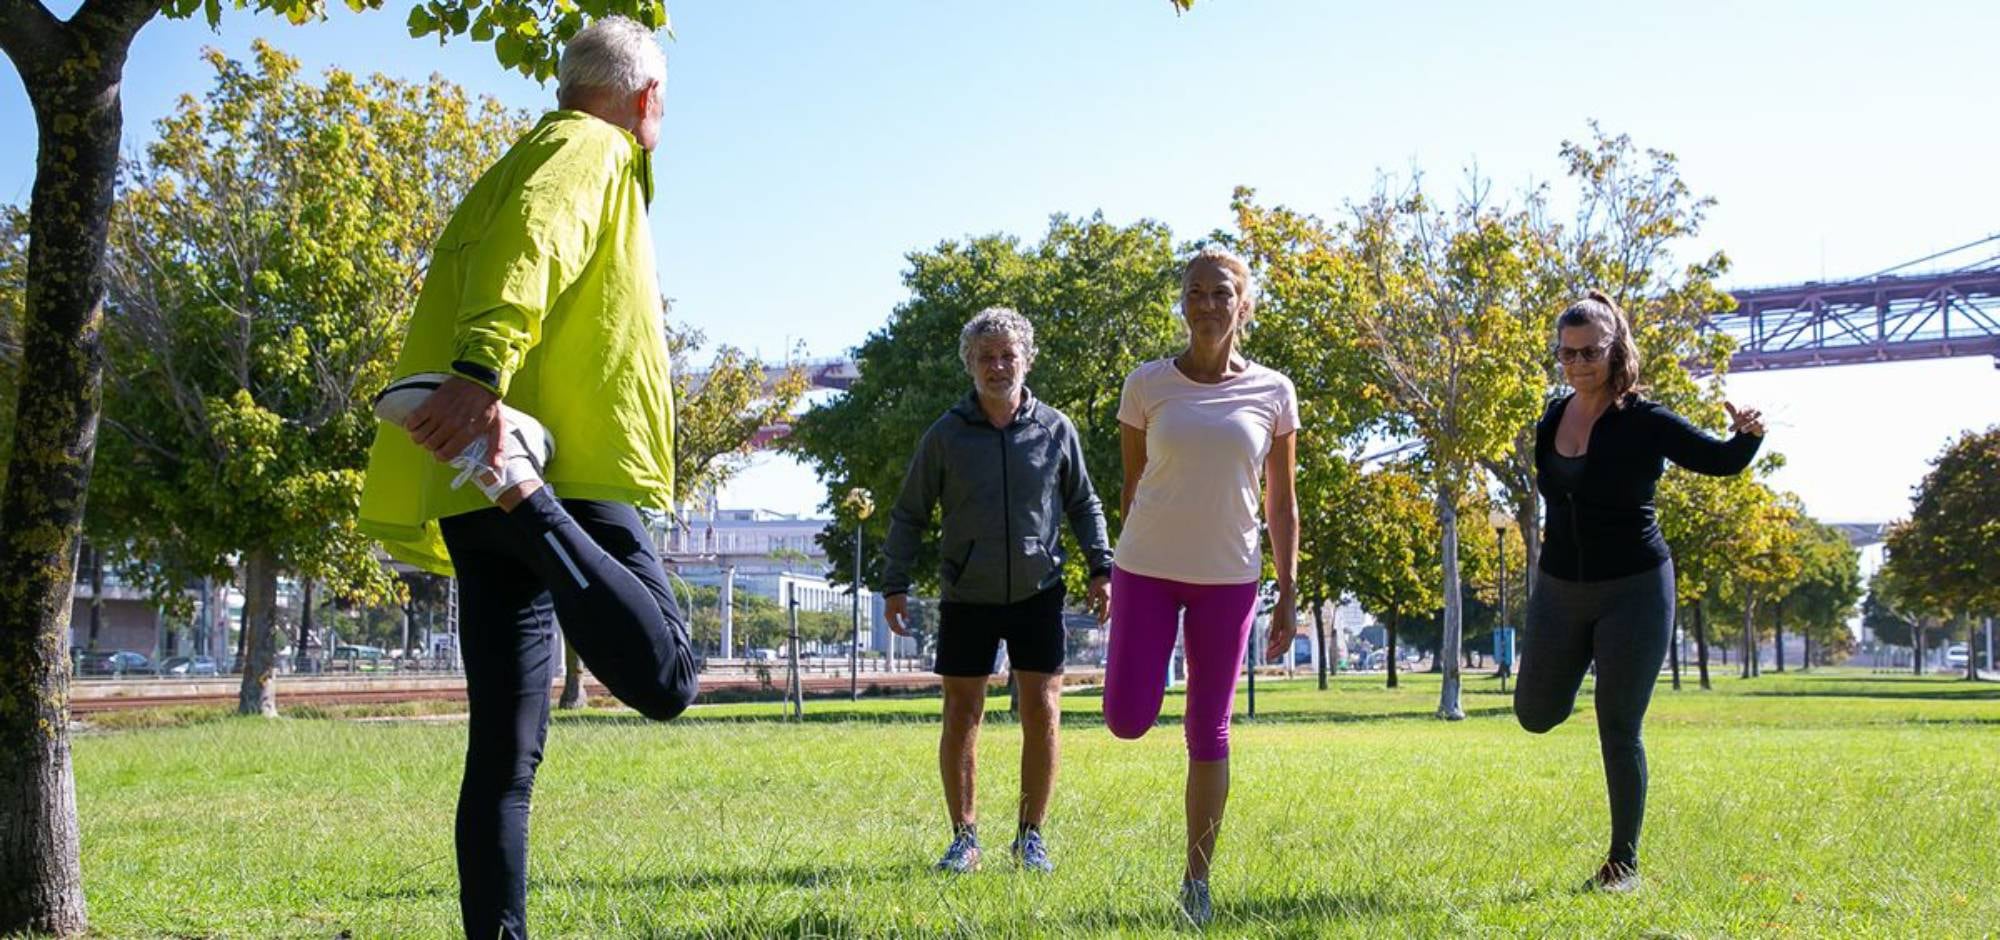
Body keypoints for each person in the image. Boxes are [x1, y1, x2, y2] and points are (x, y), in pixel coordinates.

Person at [356, 17, 697, 939]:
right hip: (554, 466)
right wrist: (481, 374)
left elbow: (513, 240)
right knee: (668, 676)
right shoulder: (592, 147)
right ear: (647, 98)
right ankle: (526, 492)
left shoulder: (511, 163)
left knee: (503, 759)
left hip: (472, 482)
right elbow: (536, 243)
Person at [1513, 290, 1766, 894]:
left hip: (1633, 588)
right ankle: (1579, 667)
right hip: (1559, 585)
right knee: (1535, 714)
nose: (1576, 364)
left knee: (1618, 725)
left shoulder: (1644, 420)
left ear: (1615, 349)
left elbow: (1720, 460)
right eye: (1566, 354)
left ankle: (1621, 864)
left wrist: (1748, 436)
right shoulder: (1553, 414)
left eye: (1589, 352)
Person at [1101, 247, 1299, 926]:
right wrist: (1134, 564)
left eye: (1222, 292)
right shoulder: (1146, 385)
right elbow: (1131, 486)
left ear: (1243, 305)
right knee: (1127, 719)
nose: (1208, 304)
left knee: (1208, 729)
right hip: (1147, 569)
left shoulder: (1274, 391)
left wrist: (1290, 587)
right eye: (1196, 292)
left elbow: (1281, 503)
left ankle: (1196, 881)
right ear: (1181, 303)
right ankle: (1139, 680)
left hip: (1229, 576)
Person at [880, 307, 1114, 875]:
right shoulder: (946, 434)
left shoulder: (1056, 429)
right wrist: (895, 583)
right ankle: (964, 839)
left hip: (1040, 591)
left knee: (1043, 709)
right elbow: (909, 513)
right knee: (962, 713)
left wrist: (1102, 567)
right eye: (986, 356)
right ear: (970, 365)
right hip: (967, 594)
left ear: (1025, 360)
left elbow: (1084, 502)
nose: (997, 365)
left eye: (1008, 355)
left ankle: (1031, 837)